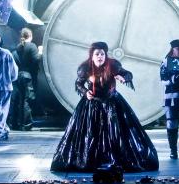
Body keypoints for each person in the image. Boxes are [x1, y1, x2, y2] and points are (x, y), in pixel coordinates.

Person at [50, 41, 158, 172]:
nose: (100, 56)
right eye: (97, 54)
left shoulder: (113, 65)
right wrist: (85, 92)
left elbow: (128, 74)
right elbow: (78, 83)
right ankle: (91, 159)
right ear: (92, 56)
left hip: (112, 103)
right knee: (90, 132)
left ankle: (116, 159)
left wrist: (124, 78)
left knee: (116, 131)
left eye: (102, 54)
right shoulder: (85, 68)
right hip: (92, 104)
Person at [9, 28, 40, 131]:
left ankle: (14, 123)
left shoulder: (17, 48)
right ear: (30, 36)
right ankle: (26, 124)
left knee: (18, 100)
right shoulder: (32, 46)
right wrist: (40, 52)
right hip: (27, 77)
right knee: (27, 100)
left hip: (18, 76)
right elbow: (36, 60)